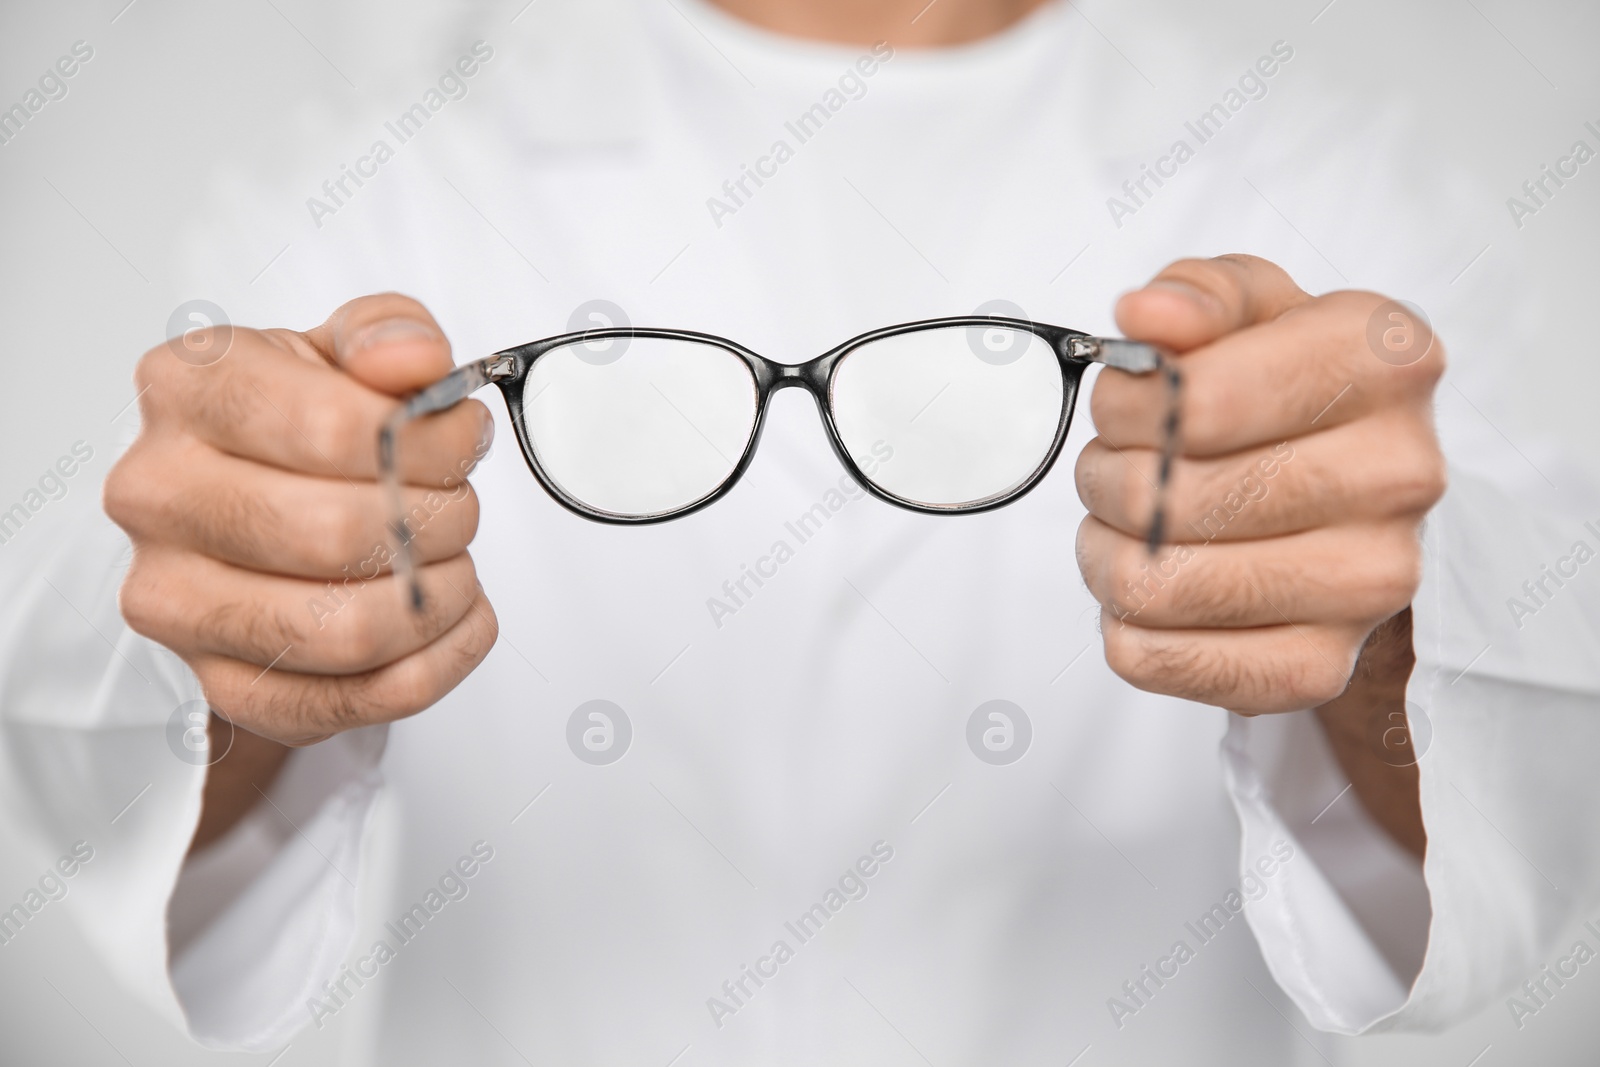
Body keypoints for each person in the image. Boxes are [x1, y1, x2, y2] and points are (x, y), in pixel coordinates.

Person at [2, 0, 1596, 1062]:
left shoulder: (1348, 190)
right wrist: (243, 655)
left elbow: (1522, 749)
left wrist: (1386, 643)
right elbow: (117, 728)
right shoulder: (364, 184)